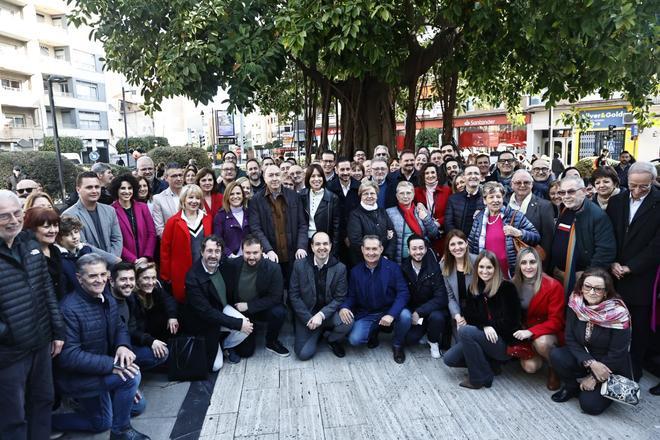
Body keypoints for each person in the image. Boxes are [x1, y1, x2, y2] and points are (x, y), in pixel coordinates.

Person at [52, 254, 149, 439]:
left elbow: (120, 327)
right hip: (77, 378)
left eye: (102, 274)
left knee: (138, 405)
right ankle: (120, 431)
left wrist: (123, 346)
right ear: (79, 279)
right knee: (130, 379)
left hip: (99, 370)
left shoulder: (106, 298)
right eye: (92, 276)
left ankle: (109, 399)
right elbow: (69, 356)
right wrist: (113, 365)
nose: (99, 280)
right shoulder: (68, 309)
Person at [0, 190, 64, 439]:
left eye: (17, 214)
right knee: (12, 417)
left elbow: (46, 288)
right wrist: (9, 333)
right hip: (8, 354)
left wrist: (57, 331)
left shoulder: (29, 243)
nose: (14, 220)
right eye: (4, 216)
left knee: (42, 402)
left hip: (41, 344)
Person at [549, 268, 632, 415]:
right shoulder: (576, 303)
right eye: (588, 286)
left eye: (598, 289)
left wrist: (594, 378)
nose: (592, 292)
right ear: (581, 287)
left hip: (609, 365)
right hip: (586, 358)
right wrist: (590, 363)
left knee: (590, 406)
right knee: (557, 354)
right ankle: (571, 386)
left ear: (606, 292)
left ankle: (591, 387)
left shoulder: (618, 313)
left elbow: (618, 353)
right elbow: (570, 337)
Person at [606, 162, 660, 380]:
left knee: (638, 327)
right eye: (633, 186)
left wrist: (631, 267)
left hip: (642, 276)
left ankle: (634, 369)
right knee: (613, 323)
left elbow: (657, 245)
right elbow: (609, 233)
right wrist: (613, 263)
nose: (637, 191)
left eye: (643, 187)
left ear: (653, 182)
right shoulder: (617, 200)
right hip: (615, 273)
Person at [443, 250, 522, 389]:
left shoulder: (507, 288)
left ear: (495, 268)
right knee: (449, 359)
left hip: (503, 342)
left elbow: (512, 322)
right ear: (477, 268)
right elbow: (469, 316)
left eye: (489, 267)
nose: (484, 271)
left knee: (465, 331)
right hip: (483, 336)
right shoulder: (474, 288)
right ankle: (490, 365)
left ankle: (478, 378)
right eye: (481, 267)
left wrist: (491, 326)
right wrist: (485, 325)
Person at [184, 236, 253, 370]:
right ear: (202, 252)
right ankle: (216, 342)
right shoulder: (193, 278)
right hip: (205, 322)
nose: (213, 255)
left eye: (217, 251)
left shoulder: (223, 265)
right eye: (209, 251)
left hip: (221, 309)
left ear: (221, 253)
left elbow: (239, 261)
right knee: (216, 366)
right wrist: (236, 324)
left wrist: (262, 256)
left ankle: (225, 345)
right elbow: (206, 312)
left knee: (246, 328)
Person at [339, 235, 411, 363]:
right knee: (354, 340)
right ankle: (375, 330)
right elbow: (352, 296)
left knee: (406, 316)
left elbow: (403, 293)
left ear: (381, 249)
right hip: (368, 313)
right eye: (367, 249)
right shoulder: (355, 271)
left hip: (389, 310)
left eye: (374, 249)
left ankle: (398, 345)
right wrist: (344, 306)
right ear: (362, 249)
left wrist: (391, 314)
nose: (371, 253)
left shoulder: (393, 268)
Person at [221, 236, 290, 357]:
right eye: (247, 253)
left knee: (279, 311)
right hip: (240, 312)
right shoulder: (233, 265)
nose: (251, 257)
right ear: (242, 251)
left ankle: (271, 341)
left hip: (261, 309)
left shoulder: (273, 268)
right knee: (246, 352)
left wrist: (249, 306)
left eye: (255, 253)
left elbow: (276, 297)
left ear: (262, 250)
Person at [289, 232, 352, 360]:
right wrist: (308, 318)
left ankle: (331, 339)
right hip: (307, 314)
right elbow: (294, 295)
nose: (321, 247)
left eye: (325, 244)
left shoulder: (340, 268)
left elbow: (340, 297)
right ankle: (317, 332)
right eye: (317, 244)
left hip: (327, 314)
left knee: (348, 322)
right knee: (303, 354)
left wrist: (321, 315)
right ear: (311, 247)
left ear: (330, 246)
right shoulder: (299, 265)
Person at [549, 176, 615, 297]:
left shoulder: (597, 216)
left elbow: (606, 251)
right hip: (558, 274)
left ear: (584, 191)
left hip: (579, 279)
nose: (566, 196)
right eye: (562, 192)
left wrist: (587, 276)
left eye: (571, 191)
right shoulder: (565, 209)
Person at [511, 248, 565, 390]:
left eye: (532, 262)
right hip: (524, 333)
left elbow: (557, 321)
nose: (528, 267)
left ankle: (555, 368)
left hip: (547, 332)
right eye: (524, 263)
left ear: (539, 263)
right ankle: (540, 356)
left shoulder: (553, 286)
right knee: (530, 367)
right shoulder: (514, 283)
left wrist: (531, 332)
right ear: (518, 265)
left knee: (542, 343)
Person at [468, 181, 540, 278]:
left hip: (510, 270)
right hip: (487, 271)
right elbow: (472, 246)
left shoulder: (515, 215)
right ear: (485, 200)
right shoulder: (479, 219)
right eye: (491, 197)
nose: (495, 200)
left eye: (498, 196)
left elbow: (536, 237)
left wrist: (518, 233)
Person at [248, 164, 308, 281]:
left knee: (294, 289)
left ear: (281, 176)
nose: (274, 178)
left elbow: (302, 224)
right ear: (264, 179)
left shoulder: (294, 196)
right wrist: (267, 249)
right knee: (275, 291)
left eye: (277, 175)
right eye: (270, 175)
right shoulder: (256, 200)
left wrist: (301, 247)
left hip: (293, 253)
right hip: (271, 254)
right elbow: (256, 228)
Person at [110, 262, 171, 372]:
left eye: (131, 279)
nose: (128, 283)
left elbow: (131, 328)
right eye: (123, 279)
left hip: (127, 343)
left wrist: (172, 317)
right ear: (112, 281)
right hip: (112, 351)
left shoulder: (129, 299)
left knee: (163, 351)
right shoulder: (108, 302)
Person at [161, 184, 212, 303]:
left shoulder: (207, 219)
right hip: (181, 273)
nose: (194, 201)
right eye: (190, 197)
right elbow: (165, 251)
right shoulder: (173, 221)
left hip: (203, 271)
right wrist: (166, 276)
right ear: (183, 199)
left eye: (197, 198)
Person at [401, 235, 449, 358]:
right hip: (415, 311)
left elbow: (441, 297)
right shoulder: (403, 268)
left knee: (437, 317)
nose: (418, 252)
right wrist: (413, 313)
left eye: (421, 248)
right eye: (414, 248)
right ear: (409, 250)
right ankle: (425, 331)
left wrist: (420, 312)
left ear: (426, 249)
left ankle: (433, 342)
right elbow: (402, 294)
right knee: (409, 340)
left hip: (432, 310)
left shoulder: (435, 268)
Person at [63, 171, 123, 258]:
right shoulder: (69, 215)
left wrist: (114, 260)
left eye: (97, 187)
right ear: (78, 189)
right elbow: (82, 245)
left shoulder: (110, 210)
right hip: (89, 268)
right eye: (89, 187)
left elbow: (117, 239)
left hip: (114, 266)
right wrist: (111, 259)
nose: (94, 190)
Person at [131, 262, 179, 365]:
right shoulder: (131, 297)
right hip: (135, 340)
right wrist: (150, 341)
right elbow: (131, 330)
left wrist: (172, 316)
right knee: (163, 354)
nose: (151, 282)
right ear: (137, 279)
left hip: (147, 332)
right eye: (146, 278)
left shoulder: (155, 288)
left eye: (153, 278)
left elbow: (169, 300)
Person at [386, 181, 438, 263]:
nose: (405, 196)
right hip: (400, 260)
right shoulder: (389, 213)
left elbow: (434, 234)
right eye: (402, 193)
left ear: (413, 195)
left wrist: (426, 219)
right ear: (397, 196)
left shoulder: (421, 210)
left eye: (408, 193)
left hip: (422, 257)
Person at [509, 170, 555, 262]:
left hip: (533, 262)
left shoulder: (545, 206)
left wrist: (542, 265)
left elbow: (548, 240)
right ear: (512, 184)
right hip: (508, 261)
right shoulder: (504, 203)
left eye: (526, 182)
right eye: (518, 182)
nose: (522, 185)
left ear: (532, 184)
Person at [110, 174, 157, 263]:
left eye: (130, 188)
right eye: (123, 188)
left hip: (145, 260)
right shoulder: (111, 210)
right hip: (124, 262)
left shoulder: (143, 207)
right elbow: (113, 240)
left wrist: (146, 256)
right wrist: (133, 259)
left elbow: (152, 233)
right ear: (116, 190)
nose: (127, 191)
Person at [347, 181, 395, 266]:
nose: (369, 196)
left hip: (385, 259)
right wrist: (374, 256)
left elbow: (392, 236)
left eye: (372, 193)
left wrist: (386, 255)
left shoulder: (382, 212)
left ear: (377, 195)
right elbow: (356, 241)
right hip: (363, 262)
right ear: (360, 196)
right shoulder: (355, 215)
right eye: (365, 194)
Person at [23, 207, 65, 299]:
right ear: (32, 228)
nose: (53, 230)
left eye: (55, 225)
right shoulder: (27, 256)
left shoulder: (55, 251)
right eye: (46, 227)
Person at [441, 230, 477, 334]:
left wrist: (468, 316)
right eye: (452, 244)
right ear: (448, 248)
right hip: (458, 309)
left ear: (466, 243)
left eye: (460, 243)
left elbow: (481, 295)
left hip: (477, 310)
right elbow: (450, 296)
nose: (457, 247)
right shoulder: (444, 266)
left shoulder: (477, 261)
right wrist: (457, 316)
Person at [326, 157, 361, 265]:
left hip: (355, 235)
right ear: (336, 170)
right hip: (335, 236)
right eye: (342, 170)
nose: (345, 172)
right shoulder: (329, 188)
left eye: (348, 169)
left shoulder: (359, 187)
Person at [300, 164, 340, 251]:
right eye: (313, 176)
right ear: (308, 178)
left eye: (319, 176)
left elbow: (336, 227)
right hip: (305, 241)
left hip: (324, 242)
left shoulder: (332, 198)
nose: (316, 179)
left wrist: (334, 249)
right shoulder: (301, 195)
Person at [414, 162, 451, 255]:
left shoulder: (447, 190)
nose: (430, 175)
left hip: (442, 234)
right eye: (427, 173)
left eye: (433, 172)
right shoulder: (416, 191)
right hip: (424, 235)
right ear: (423, 175)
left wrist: (438, 223)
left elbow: (451, 213)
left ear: (437, 174)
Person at [213, 180, 250, 258]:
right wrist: (230, 255)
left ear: (243, 195)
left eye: (238, 193)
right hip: (229, 260)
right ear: (227, 197)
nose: (235, 196)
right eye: (231, 194)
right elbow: (218, 240)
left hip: (250, 258)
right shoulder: (220, 216)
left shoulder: (249, 213)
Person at [445, 165, 484, 237]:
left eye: (476, 173)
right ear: (464, 178)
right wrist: (458, 239)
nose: (473, 176)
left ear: (481, 177)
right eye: (469, 174)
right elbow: (448, 223)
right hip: (460, 242)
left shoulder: (487, 198)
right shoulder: (453, 199)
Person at [152, 163, 185, 237]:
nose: (179, 179)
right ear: (166, 178)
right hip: (172, 244)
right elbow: (159, 229)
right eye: (174, 176)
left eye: (180, 175)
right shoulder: (158, 199)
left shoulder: (192, 194)